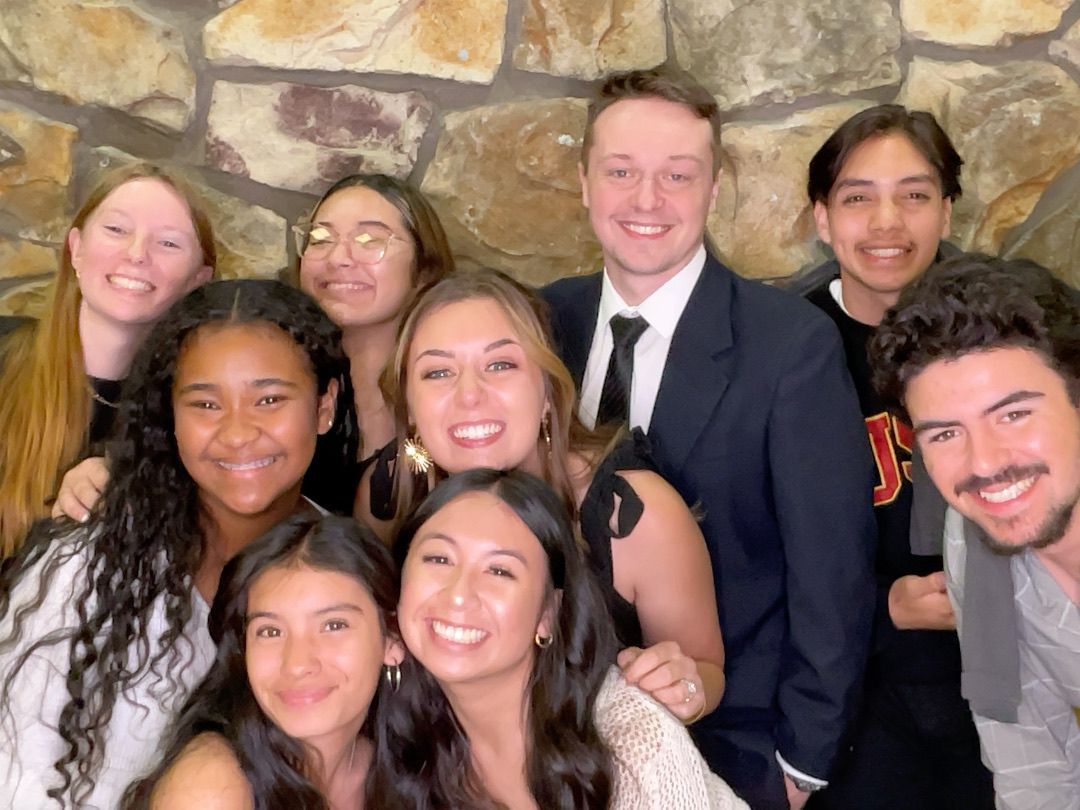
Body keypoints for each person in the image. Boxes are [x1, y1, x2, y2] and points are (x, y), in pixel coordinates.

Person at [541, 67, 877, 809]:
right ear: (584, 182)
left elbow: (834, 571)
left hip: (733, 746)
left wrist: (801, 765)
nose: (647, 199)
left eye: (677, 175)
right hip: (554, 746)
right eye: (621, 171)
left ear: (714, 188)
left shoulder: (790, 345)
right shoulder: (539, 323)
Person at [0, 279, 355, 809]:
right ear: (171, 414)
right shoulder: (87, 562)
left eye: (270, 399)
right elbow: (18, 772)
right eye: (206, 404)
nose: (237, 433)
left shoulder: (348, 575)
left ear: (324, 406)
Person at [370, 269, 726, 722]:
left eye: (500, 365)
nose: (469, 395)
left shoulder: (631, 514)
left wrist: (683, 686)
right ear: (409, 406)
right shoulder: (393, 491)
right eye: (438, 372)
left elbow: (705, 669)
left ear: (546, 391)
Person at [793, 105, 993, 809]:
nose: (887, 223)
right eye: (858, 198)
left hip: (1007, 669)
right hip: (857, 685)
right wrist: (884, 608)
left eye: (914, 195)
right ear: (822, 218)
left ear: (946, 210)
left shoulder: (1011, 325)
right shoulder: (788, 348)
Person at [370, 467, 748, 809]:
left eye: (500, 571)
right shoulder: (404, 736)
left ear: (548, 615)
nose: (458, 595)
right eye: (438, 559)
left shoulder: (629, 738)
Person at [870, 254, 1080, 810]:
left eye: (1014, 414)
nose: (984, 463)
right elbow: (1032, 768)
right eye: (944, 434)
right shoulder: (975, 543)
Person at [0, 163, 216, 556]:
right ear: (76, 248)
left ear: (197, 280)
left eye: (169, 243)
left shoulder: (189, 422)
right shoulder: (4, 354)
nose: (136, 254)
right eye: (116, 229)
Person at [121, 513, 404, 810]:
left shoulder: (393, 767)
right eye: (270, 631)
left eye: (333, 625)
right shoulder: (211, 789)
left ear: (392, 640)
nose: (297, 664)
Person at [291, 173, 454, 514]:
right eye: (320, 238)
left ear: (424, 269)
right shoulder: (281, 386)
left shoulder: (454, 399)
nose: (338, 258)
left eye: (369, 239)